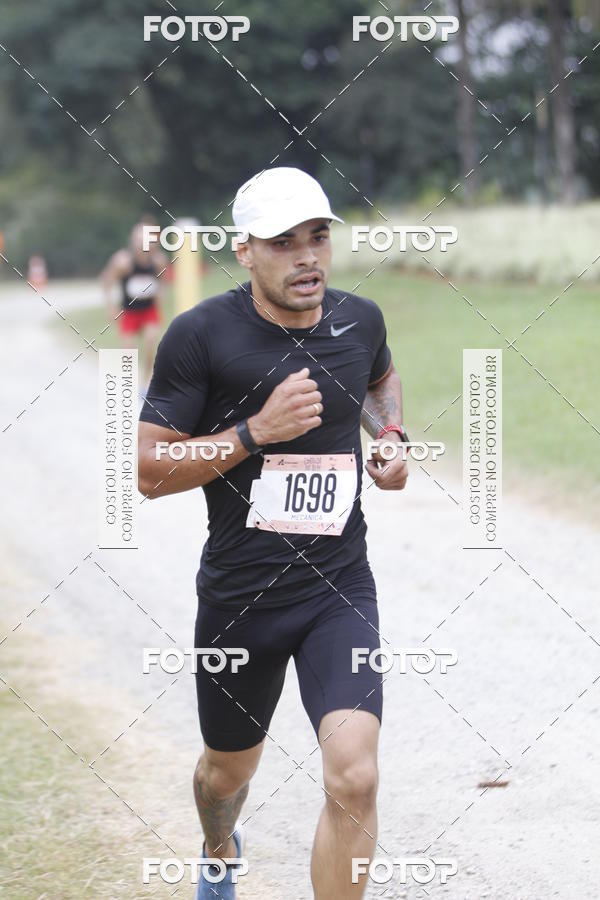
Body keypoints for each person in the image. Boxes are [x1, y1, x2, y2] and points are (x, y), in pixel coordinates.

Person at [137, 167, 409, 899]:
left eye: (318, 237)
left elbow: (380, 381)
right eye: (283, 243)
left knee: (356, 773)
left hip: (337, 587)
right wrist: (254, 432)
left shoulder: (361, 319)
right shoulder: (201, 336)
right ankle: (219, 850)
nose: (307, 257)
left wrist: (391, 436)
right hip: (240, 598)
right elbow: (151, 470)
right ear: (245, 251)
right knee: (227, 771)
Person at [101, 222, 168, 394]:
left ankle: (145, 384)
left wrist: (161, 297)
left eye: (148, 240)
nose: (143, 245)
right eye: (139, 240)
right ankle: (127, 384)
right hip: (129, 312)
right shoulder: (123, 261)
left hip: (149, 310)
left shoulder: (158, 261)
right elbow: (107, 281)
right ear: (132, 241)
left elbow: (163, 281)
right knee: (128, 351)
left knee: (151, 343)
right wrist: (110, 306)